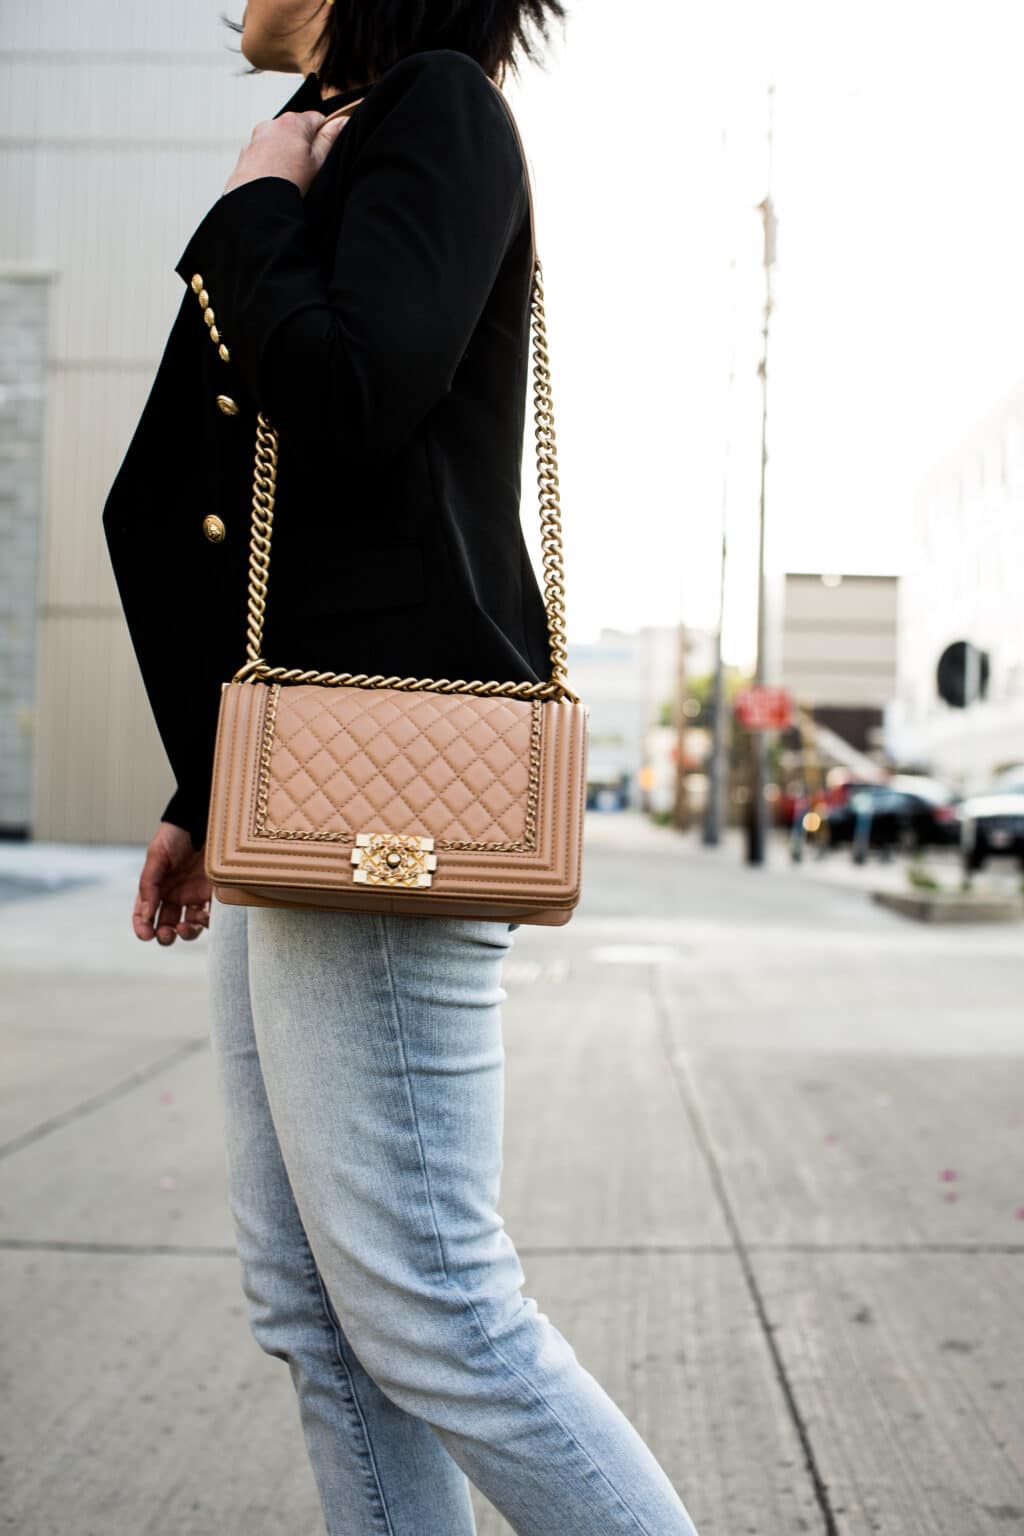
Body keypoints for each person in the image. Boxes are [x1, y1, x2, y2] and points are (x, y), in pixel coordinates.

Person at [102, 3, 701, 1532]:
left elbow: (355, 395)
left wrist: (255, 205)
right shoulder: (335, 127)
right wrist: (199, 784)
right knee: (317, 1315)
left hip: (384, 782)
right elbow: (265, 514)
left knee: (436, 1309)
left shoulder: (431, 109)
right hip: (287, 775)